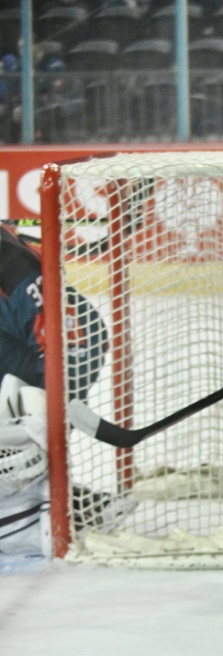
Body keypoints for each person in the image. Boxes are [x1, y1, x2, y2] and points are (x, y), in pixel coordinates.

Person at [0, 223, 112, 564]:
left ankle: (31, 506)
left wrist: (44, 421)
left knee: (34, 403)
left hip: (26, 375)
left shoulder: (11, 265)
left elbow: (83, 341)